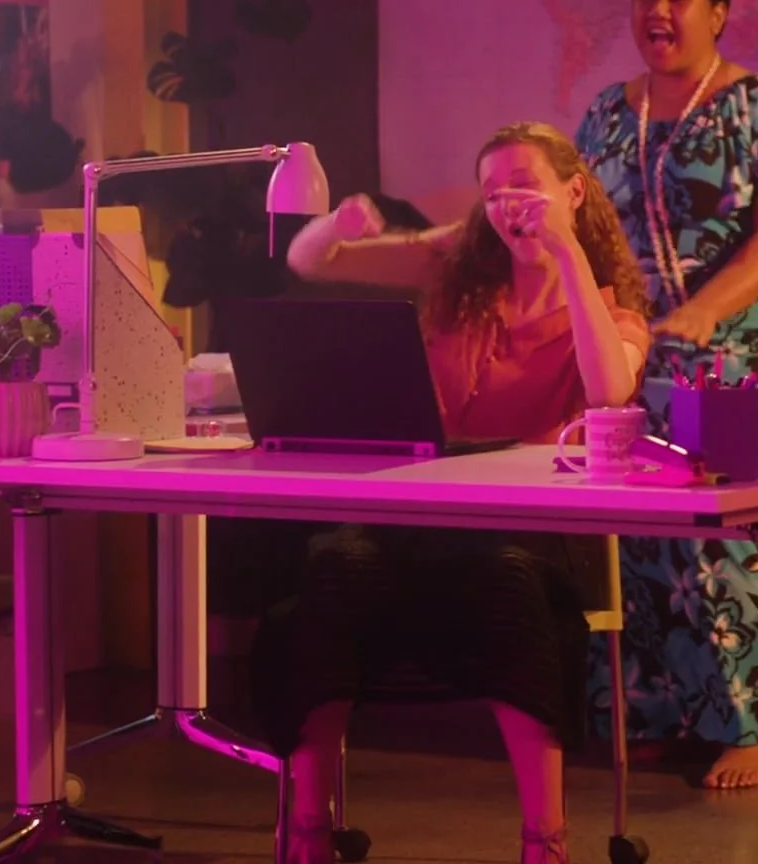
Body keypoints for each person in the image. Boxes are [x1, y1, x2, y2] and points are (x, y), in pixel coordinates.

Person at [262, 123, 654, 864]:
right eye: (494, 190)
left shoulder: (609, 306)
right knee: (330, 567)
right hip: (426, 517)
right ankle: (309, 835)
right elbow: (308, 260)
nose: (511, 204)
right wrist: (342, 224)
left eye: (526, 184)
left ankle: (546, 841)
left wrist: (565, 251)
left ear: (573, 192)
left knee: (507, 581)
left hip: (537, 530)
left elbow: (611, 389)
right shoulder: (458, 272)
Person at [575, 0, 758, 791]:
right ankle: (653, 711)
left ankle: (747, 725)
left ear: (718, 10)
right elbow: (588, 237)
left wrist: (698, 318)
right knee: (630, 536)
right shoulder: (608, 112)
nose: (659, 10)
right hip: (632, 352)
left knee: (711, 526)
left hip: (735, 352)